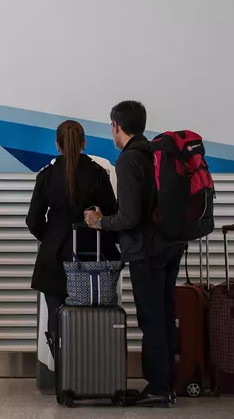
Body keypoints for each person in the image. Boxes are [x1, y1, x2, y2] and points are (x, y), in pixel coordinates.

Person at [85, 101, 184, 408]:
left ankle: (156, 388)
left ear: (116, 125)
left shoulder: (128, 160)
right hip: (171, 243)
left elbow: (129, 217)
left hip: (146, 250)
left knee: (151, 318)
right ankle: (167, 385)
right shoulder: (154, 153)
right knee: (165, 315)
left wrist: (99, 222)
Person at [25, 120, 120, 349]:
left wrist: (51, 239)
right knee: (95, 319)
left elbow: (33, 220)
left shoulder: (46, 175)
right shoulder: (98, 173)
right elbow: (113, 215)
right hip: (93, 256)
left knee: (58, 322)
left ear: (58, 145)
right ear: (84, 143)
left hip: (55, 257)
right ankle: (93, 373)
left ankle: (65, 378)